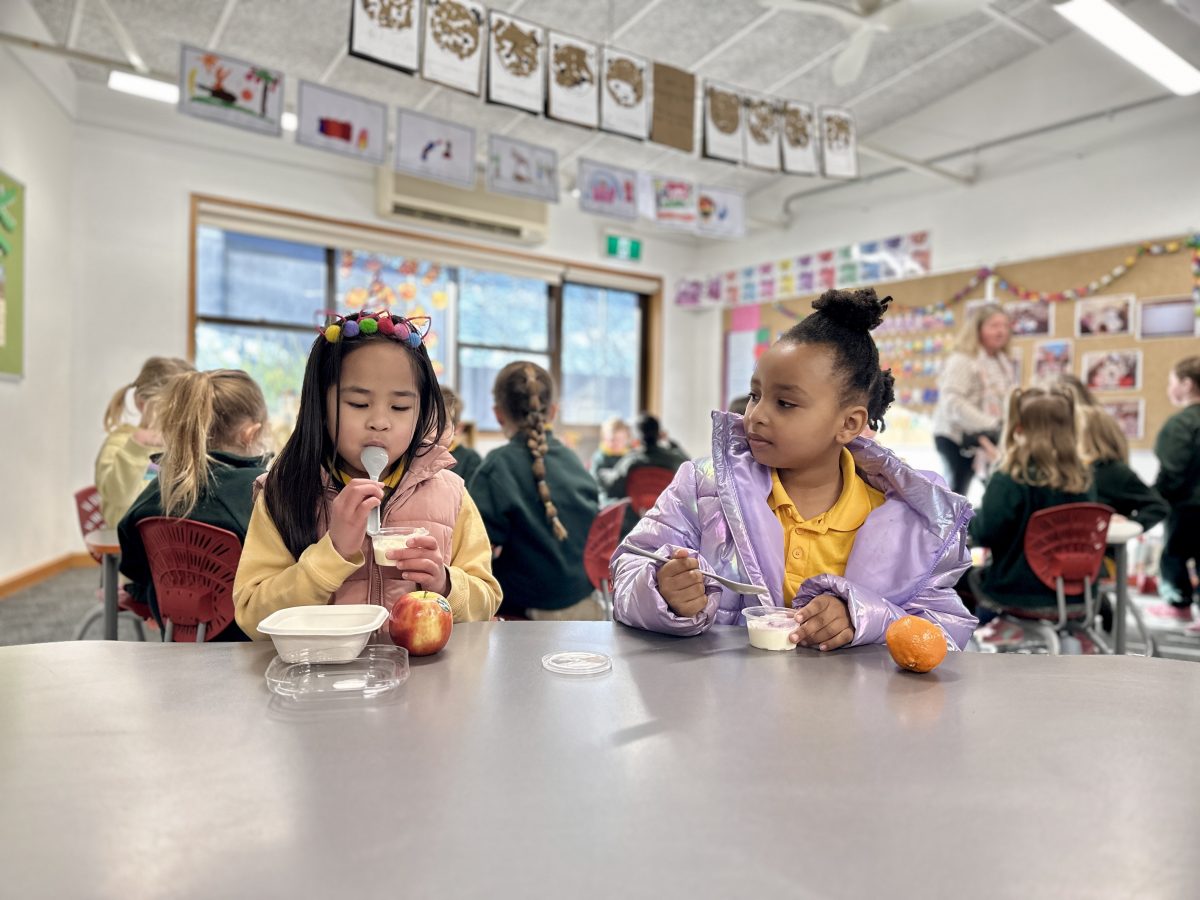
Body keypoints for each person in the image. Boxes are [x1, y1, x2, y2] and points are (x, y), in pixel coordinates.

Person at [611, 288, 977, 651]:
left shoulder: (912, 523)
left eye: (785, 403)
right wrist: (661, 592)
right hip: (726, 701)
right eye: (755, 395)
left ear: (848, 424)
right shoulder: (703, 488)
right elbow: (627, 567)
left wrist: (860, 617)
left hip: (847, 707)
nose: (756, 415)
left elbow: (944, 631)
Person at [232, 311, 501, 639]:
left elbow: (486, 600)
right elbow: (252, 616)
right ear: (321, 406)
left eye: (400, 408)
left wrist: (445, 583)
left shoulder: (449, 493)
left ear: (421, 412)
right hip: (320, 681)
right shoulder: (283, 492)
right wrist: (332, 553)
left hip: (423, 682)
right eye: (358, 404)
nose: (380, 422)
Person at [117, 370, 271, 638]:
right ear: (250, 433)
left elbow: (134, 566)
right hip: (248, 635)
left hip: (174, 628)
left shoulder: (161, 486)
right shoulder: (262, 491)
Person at [470, 362, 601, 620]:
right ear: (552, 411)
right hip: (585, 599)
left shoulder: (496, 468)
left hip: (526, 611)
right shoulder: (573, 460)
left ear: (498, 414)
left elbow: (472, 545)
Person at [968, 387, 1095, 609]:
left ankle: (977, 635)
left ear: (1018, 429)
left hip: (1018, 591)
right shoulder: (1083, 478)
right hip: (1077, 591)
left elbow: (985, 532)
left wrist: (967, 516)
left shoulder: (1009, 477)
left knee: (960, 581)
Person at [95, 356, 194, 526]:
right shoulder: (120, 442)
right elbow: (119, 497)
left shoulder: (181, 445)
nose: (184, 416)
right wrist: (138, 446)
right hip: (126, 545)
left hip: (168, 540)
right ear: (142, 404)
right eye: (176, 407)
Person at [932, 303, 1016, 496]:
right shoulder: (962, 360)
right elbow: (953, 403)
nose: (1001, 331)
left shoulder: (1002, 362)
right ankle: (953, 526)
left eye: (1004, 325)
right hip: (956, 436)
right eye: (994, 326)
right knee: (957, 493)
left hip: (986, 435)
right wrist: (992, 424)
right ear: (978, 329)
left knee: (993, 486)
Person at [1150, 356, 1200, 626]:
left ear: (1186, 384)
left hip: (1186, 506)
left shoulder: (1180, 424)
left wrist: (1151, 500)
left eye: (1171, 382)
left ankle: (1179, 604)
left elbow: (1172, 471)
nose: (1169, 389)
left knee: (1174, 554)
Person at [1077, 405, 1167, 531]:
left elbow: (1157, 507)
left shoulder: (1114, 472)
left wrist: (1128, 524)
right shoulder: (1073, 469)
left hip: (1106, 547)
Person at [601, 412, 690, 501]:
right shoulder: (674, 459)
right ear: (659, 434)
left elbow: (612, 487)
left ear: (636, 438)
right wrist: (672, 444)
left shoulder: (631, 460)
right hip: (668, 512)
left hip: (635, 513)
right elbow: (690, 468)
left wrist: (602, 474)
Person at [440, 385, 483, 486]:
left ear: (458, 428)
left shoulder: (470, 459)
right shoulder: (410, 456)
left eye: (441, 427)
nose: (431, 434)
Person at [590, 416, 631, 497]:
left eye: (620, 440)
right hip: (605, 496)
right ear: (604, 439)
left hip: (625, 497)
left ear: (627, 439)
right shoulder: (600, 458)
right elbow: (594, 481)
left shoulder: (630, 457)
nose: (616, 443)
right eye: (612, 440)